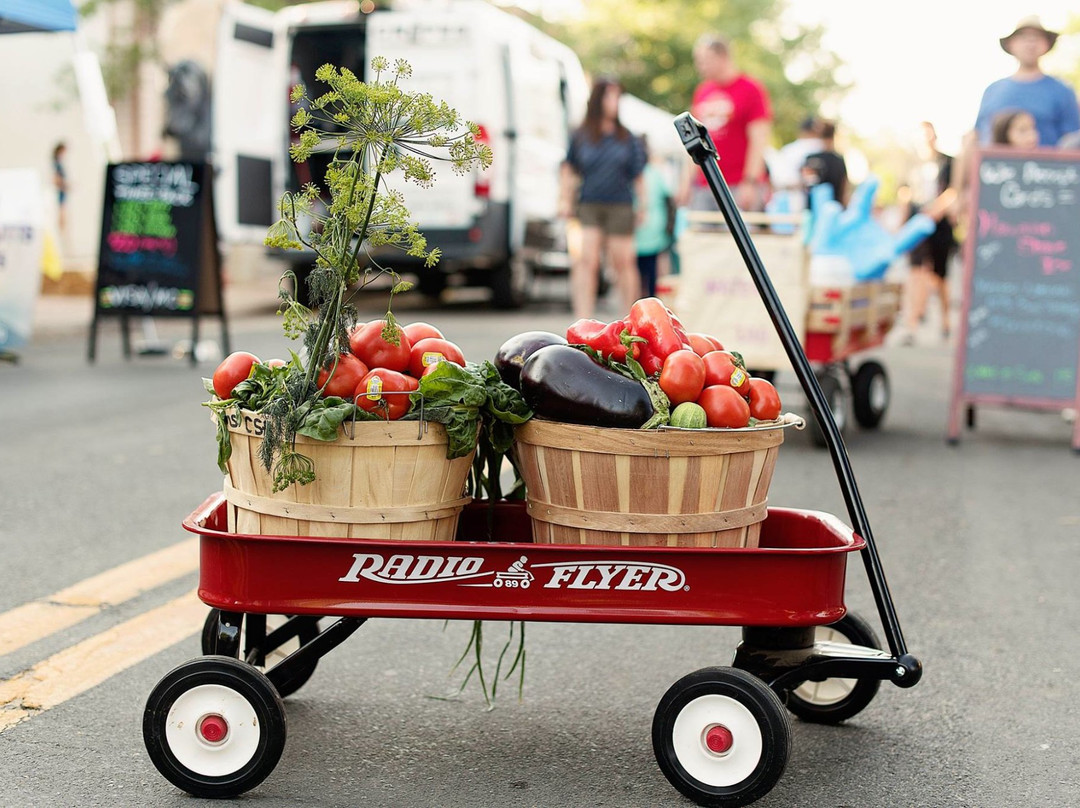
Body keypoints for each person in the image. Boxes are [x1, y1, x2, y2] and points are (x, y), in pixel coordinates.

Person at [559, 77, 646, 318]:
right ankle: (582, 318)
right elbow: (568, 168)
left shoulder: (627, 137)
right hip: (589, 204)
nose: (615, 102)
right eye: (610, 96)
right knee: (586, 260)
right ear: (598, 100)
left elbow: (638, 176)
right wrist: (565, 199)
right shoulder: (581, 135)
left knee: (623, 262)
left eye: (618, 96)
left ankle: (630, 318)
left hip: (620, 204)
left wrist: (643, 206)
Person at [677, 33, 772, 212]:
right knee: (702, 238)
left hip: (738, 184)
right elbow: (694, 141)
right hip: (705, 185)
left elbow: (759, 139)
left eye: (704, 60)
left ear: (722, 57)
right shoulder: (703, 92)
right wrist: (686, 182)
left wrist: (750, 182)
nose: (700, 66)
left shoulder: (751, 89)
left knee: (736, 236)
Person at [974, 16, 1079, 147]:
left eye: (1037, 37)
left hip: (1043, 166)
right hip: (994, 166)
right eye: (1023, 37)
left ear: (1046, 45)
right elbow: (976, 137)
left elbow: (1072, 141)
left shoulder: (1062, 91)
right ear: (1011, 44)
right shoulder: (992, 90)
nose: (1030, 43)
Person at [902, 122, 957, 343]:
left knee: (940, 276)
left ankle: (945, 321)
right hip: (917, 225)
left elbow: (953, 190)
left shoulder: (947, 162)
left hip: (940, 225)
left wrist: (936, 211)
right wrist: (903, 222)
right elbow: (904, 193)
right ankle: (912, 324)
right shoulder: (912, 164)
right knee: (916, 273)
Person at [634, 137, 673, 299]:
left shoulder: (635, 173)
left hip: (639, 228)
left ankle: (640, 300)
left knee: (638, 270)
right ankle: (651, 299)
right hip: (653, 226)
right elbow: (668, 195)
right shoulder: (654, 172)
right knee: (651, 269)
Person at [801, 120, 847, 211]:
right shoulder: (839, 160)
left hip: (813, 209)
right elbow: (844, 187)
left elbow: (806, 184)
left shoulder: (811, 159)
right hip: (835, 208)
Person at [52, 142, 68, 234]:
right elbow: (56, 179)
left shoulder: (59, 163)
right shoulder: (56, 164)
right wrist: (63, 185)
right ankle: (61, 232)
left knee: (63, 214)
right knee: (60, 214)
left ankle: (62, 231)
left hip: (62, 192)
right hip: (59, 193)